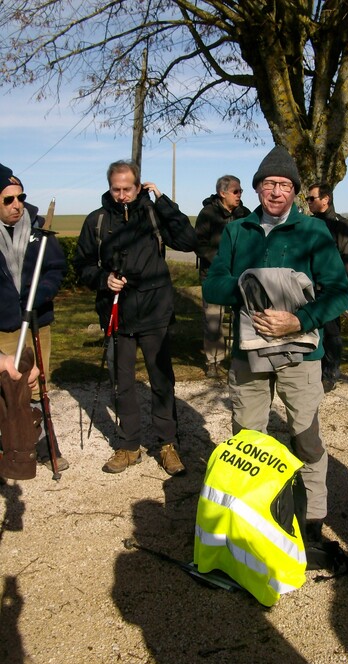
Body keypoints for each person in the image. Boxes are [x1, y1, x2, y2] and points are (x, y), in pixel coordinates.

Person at [202, 145, 348, 544]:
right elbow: (212, 284)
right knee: (248, 437)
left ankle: (312, 520)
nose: (276, 191)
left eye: (285, 184)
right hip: (249, 353)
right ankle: (251, 515)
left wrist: (298, 319)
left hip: (301, 354)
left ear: (295, 192)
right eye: (269, 183)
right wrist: (246, 286)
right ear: (257, 188)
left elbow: (340, 293)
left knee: (305, 435)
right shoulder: (237, 230)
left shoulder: (314, 232)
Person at [74, 159, 198, 475]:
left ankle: (167, 445)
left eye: (127, 188)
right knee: (123, 384)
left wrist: (165, 203)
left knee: (161, 381)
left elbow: (188, 241)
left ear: (139, 185)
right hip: (117, 314)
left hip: (155, 309)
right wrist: (104, 280)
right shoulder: (97, 221)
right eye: (116, 189)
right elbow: (82, 265)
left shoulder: (154, 214)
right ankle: (129, 446)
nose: (121, 195)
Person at [0, 163, 68, 471]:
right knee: (8, 388)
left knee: (39, 382)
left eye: (20, 197)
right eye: (8, 200)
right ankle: (10, 449)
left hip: (37, 318)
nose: (17, 205)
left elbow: (54, 268)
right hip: (4, 323)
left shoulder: (39, 226)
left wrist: (40, 295)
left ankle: (45, 445)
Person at [307, 183, 348, 391]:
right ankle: (312, 372)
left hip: (329, 289)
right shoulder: (308, 224)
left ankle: (330, 374)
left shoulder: (342, 226)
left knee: (331, 333)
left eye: (312, 198)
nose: (308, 202)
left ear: (325, 199)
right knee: (311, 332)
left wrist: (339, 289)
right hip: (308, 288)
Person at [195, 175, 250, 378]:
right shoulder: (207, 214)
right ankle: (213, 362)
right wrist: (221, 261)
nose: (240, 194)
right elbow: (199, 244)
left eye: (241, 191)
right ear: (222, 193)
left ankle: (240, 359)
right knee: (213, 321)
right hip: (213, 276)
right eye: (236, 191)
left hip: (240, 277)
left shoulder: (245, 214)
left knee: (242, 319)